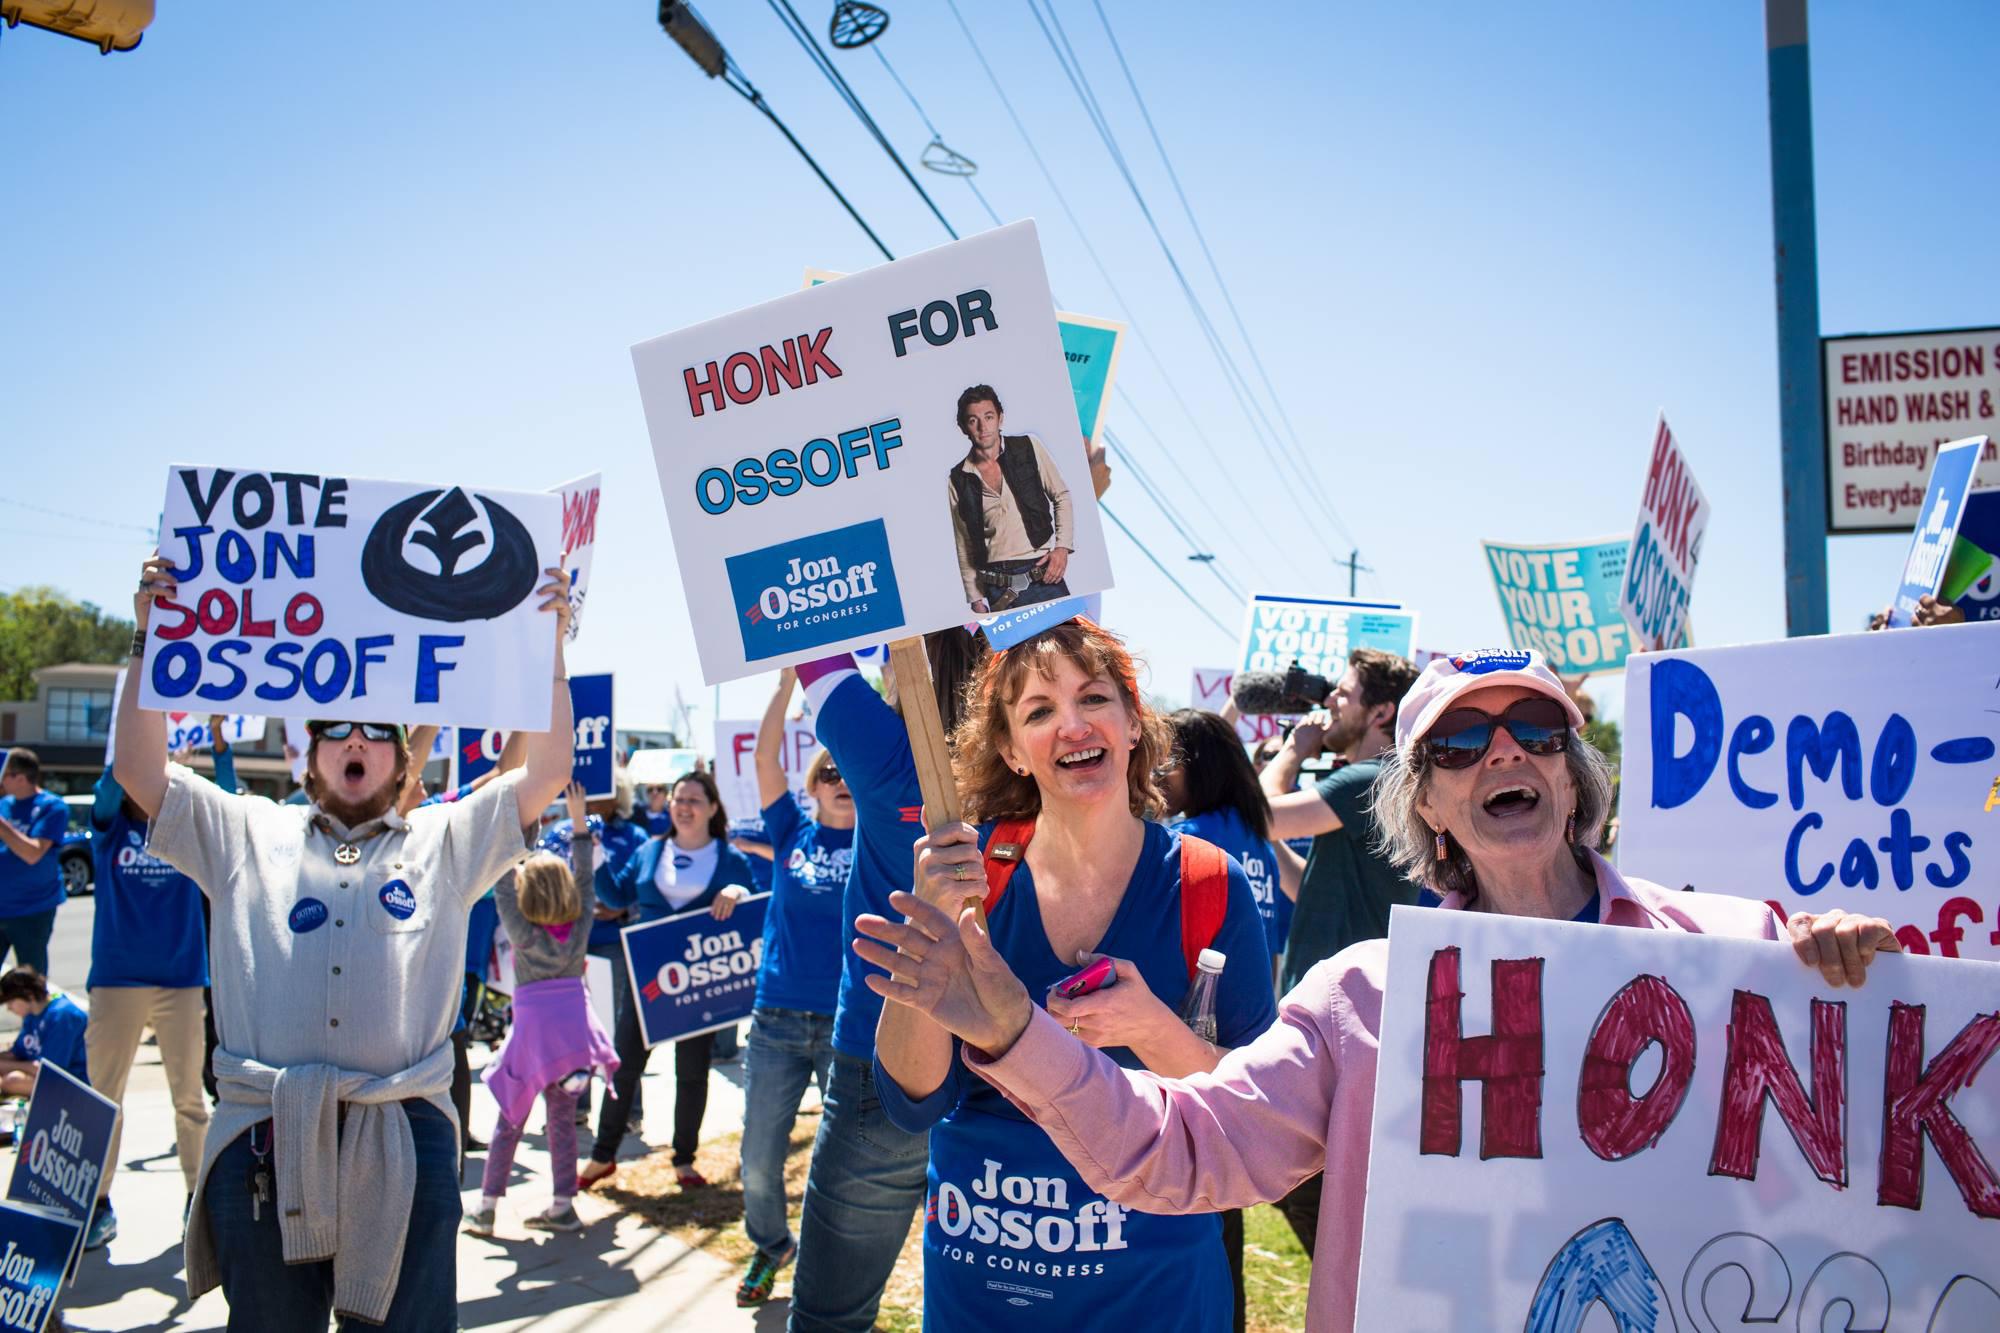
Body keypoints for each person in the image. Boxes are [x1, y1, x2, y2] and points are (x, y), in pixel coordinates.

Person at [858, 648, 1901, 1331]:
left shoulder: (1739, 954)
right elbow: (1186, 1146)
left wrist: (1853, 987)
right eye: (1458, 743)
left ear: (1574, 774)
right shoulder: (1365, 1001)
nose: (1501, 750)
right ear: (1427, 804)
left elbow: (1865, 1177)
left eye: (1534, 730)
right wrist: (1007, 1026)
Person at [115, 554, 575, 1331]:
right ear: (307, 755)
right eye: (335, 731)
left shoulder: (445, 838)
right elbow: (138, 767)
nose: (354, 741)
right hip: (264, 1137)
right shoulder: (242, 827)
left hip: (405, 1133)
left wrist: (551, 647)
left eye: (375, 733)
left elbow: (549, 767)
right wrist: (147, 635)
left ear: (399, 761)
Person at [862, 618, 1276, 1330]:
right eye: (1040, 711)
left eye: (1094, 698)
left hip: (1157, 1295)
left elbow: (1259, 1117)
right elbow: (911, 1101)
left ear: (1133, 723)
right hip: (988, 1286)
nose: (1073, 725)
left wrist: (1151, 1028)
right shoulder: (972, 883)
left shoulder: (1209, 885)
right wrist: (933, 927)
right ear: (1011, 750)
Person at [786, 631, 985, 1333]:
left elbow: (805, 638)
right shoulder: (1021, 768)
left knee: (831, 1314)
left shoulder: (884, 748)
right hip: (1005, 1056)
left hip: (880, 1052)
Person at [84, 724, 232, 1253]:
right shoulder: (108, 829)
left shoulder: (186, 832)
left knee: (191, 1102)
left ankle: (198, 1201)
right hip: (117, 981)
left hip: (182, 981)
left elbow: (229, 798)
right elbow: (111, 780)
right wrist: (134, 740)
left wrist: (217, 746)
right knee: (103, 1099)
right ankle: (95, 1202)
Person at [736, 669, 855, 1306]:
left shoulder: (880, 841)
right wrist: (787, 686)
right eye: (827, 775)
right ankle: (771, 1244)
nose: (837, 783)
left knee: (838, 1166)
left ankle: (829, 1270)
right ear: (812, 787)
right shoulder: (790, 832)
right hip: (777, 1021)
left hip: (846, 1024)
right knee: (758, 1157)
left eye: (846, 774)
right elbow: (762, 757)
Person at [579, 770, 755, 1192]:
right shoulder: (649, 850)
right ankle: (603, 1156)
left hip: (700, 980)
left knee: (692, 1072)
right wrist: (597, 854)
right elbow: (618, 896)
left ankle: (684, 1159)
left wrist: (737, 892)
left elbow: (755, 902)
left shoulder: (730, 859)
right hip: (649, 980)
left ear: (713, 808)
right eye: (679, 798)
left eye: (695, 799)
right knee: (624, 1067)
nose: (684, 806)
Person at [468, 783, 617, 1236]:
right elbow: (587, 879)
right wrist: (577, 825)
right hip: (574, 1043)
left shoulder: (521, 932)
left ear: (526, 893)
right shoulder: (580, 927)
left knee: (509, 1123)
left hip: (531, 1044)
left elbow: (500, 884)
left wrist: (508, 827)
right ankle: (562, 1205)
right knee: (563, 1126)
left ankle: (488, 1207)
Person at [541, 767, 647, 1131]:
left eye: (600, 788)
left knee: (619, 1030)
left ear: (619, 796)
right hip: (571, 945)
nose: (589, 794)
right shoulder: (559, 832)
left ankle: (628, 1111)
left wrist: (623, 907)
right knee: (572, 1029)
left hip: (616, 943)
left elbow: (640, 885)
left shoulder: (634, 836)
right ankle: (575, 1105)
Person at [947, 384, 1076, 614]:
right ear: (963, 428)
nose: (983, 427)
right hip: (996, 585)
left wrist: (1062, 548)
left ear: (1000, 418)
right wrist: (975, 598)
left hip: (1042, 574)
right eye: (973, 420)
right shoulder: (958, 478)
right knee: (1013, 651)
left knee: (1069, 646)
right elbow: (963, 543)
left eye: (988, 417)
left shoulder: (1028, 447)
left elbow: (1061, 496)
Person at [0, 749, 69, 977]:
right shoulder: (5, 804)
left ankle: (35, 1015)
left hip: (32, 909)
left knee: (30, 983)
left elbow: (33, 853)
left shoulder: (52, 807)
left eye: (4, 774)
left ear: (20, 777)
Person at [0, 966, 89, 1094]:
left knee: (12, 1081)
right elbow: (17, 1053)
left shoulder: (62, 1015)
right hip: (42, 1073)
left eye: (11, 1002)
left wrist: (22, 1067)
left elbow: (49, 1070)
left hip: (72, 1081)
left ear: (29, 995)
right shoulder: (31, 1015)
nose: (9, 1008)